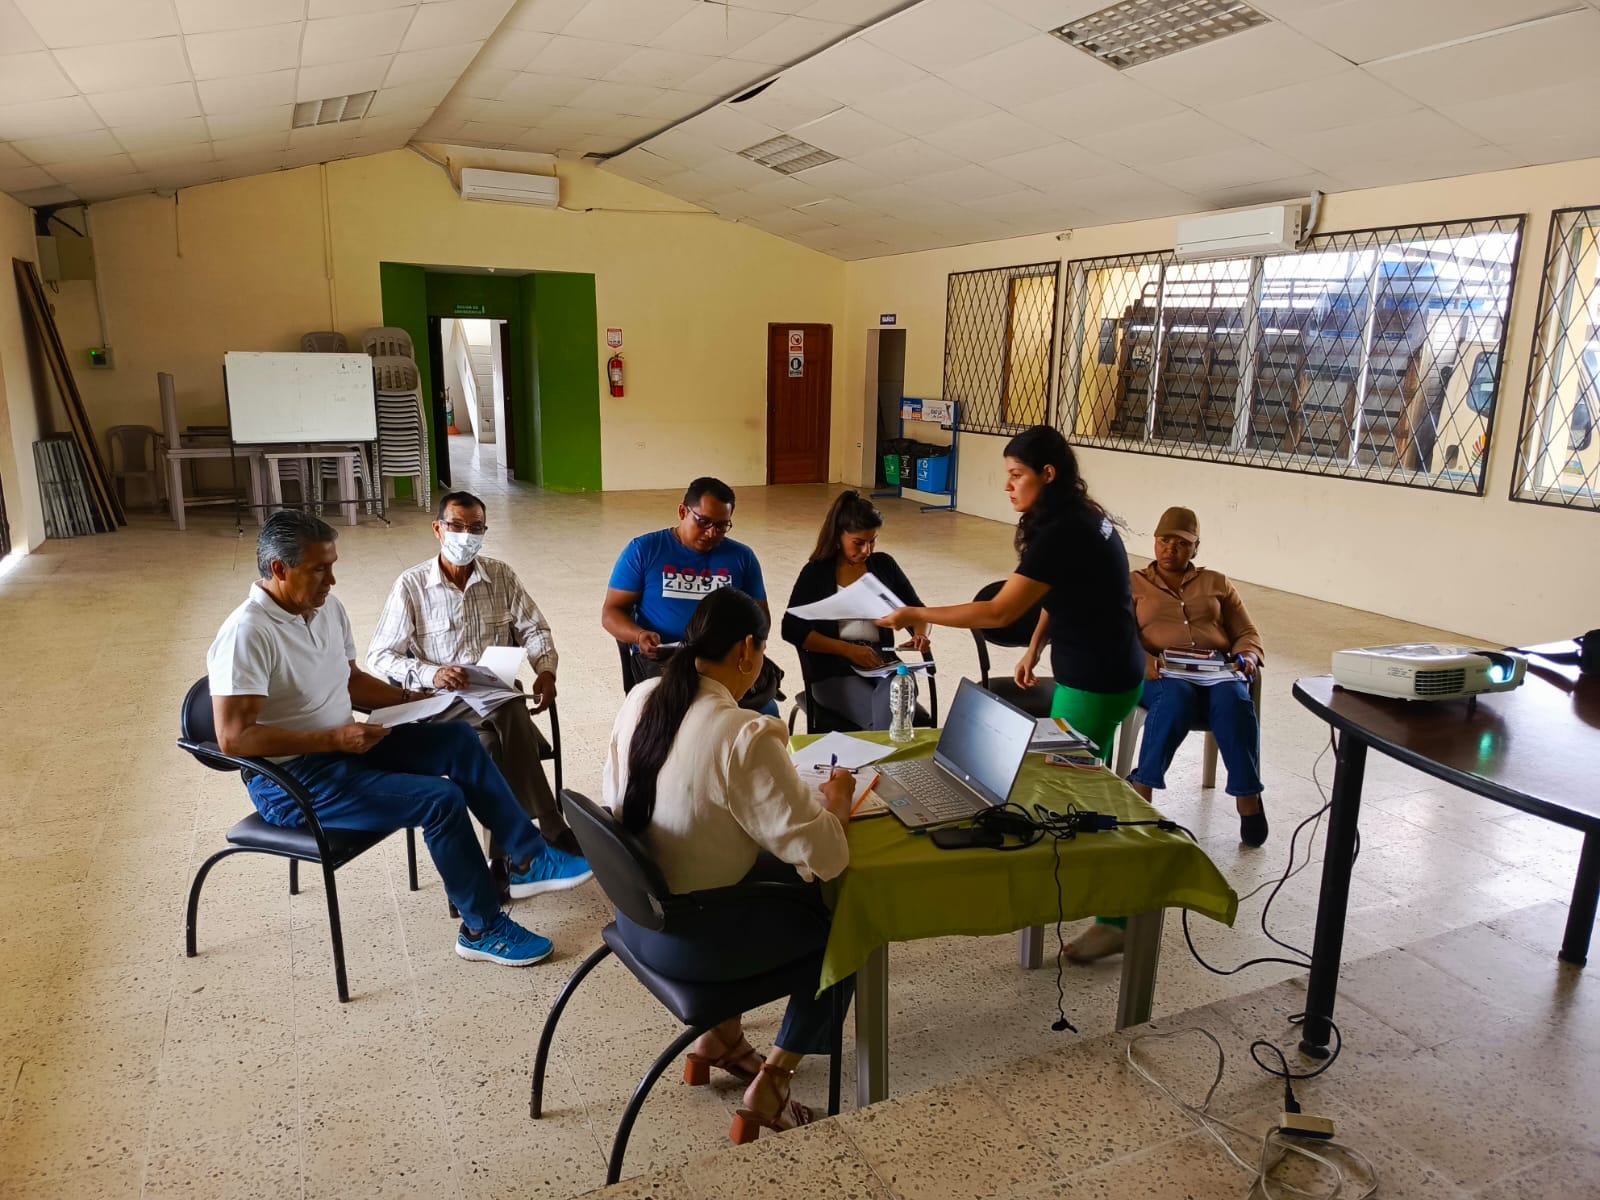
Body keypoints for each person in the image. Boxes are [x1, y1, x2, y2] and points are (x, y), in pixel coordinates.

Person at [207, 510, 592, 968]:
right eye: (319, 569)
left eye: (332, 566)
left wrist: (414, 699)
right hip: (295, 781)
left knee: (459, 740)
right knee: (440, 800)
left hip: (343, 748)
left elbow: (351, 681)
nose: (332, 580)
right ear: (279, 569)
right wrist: (333, 739)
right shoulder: (247, 633)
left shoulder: (325, 609)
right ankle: (481, 929)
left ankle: (528, 857)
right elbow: (234, 739)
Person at [877, 426, 1144, 964]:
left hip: (1094, 681)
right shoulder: (1082, 517)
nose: (1008, 486)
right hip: (1108, 669)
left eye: (1017, 475)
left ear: (1048, 474)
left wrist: (918, 613)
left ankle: (1116, 918)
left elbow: (1000, 612)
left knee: (1073, 794)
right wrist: (1035, 648)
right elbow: (1058, 593)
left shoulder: (1064, 530)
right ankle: (1104, 906)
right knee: (1083, 787)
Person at [602, 587, 855, 1144]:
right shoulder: (742, 732)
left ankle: (720, 1040)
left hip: (637, 919)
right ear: (746, 651)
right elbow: (829, 857)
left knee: (745, 865)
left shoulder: (642, 696)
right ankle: (773, 1085)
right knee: (847, 919)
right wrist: (837, 801)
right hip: (694, 945)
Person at [368, 491, 582, 877]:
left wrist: (546, 670)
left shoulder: (501, 576)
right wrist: (432, 673)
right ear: (438, 529)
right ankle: (551, 822)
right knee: (511, 706)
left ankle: (499, 859)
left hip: (492, 700)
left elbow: (534, 629)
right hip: (440, 705)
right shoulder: (411, 585)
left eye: (476, 528)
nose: (466, 536)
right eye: (456, 526)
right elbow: (380, 656)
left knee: (489, 745)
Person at [1128, 506, 1267, 848]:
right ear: (1154, 542)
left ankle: (1248, 797)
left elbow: (1246, 632)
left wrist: (1248, 655)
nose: (1170, 549)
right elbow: (1118, 634)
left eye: (1181, 543)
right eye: (1164, 541)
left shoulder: (1216, 582)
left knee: (1234, 701)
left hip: (1216, 669)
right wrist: (1142, 658)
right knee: (1176, 700)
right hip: (1162, 671)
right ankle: (1142, 788)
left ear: (1196, 548)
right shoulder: (1133, 582)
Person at [601, 476, 778, 714]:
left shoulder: (742, 557)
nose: (712, 533)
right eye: (703, 522)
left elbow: (761, 619)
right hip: (666, 659)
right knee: (689, 711)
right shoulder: (644, 550)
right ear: (683, 512)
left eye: (722, 526)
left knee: (767, 711)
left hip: (722, 660)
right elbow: (611, 611)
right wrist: (639, 635)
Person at [783, 490, 931, 730]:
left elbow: (918, 612)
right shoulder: (817, 572)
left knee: (899, 684)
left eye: (873, 541)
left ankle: (885, 745)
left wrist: (921, 634)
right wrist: (848, 650)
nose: (867, 551)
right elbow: (792, 629)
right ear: (838, 536)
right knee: (889, 714)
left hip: (881, 663)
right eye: (859, 543)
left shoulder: (884, 565)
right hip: (834, 672)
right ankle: (890, 746)